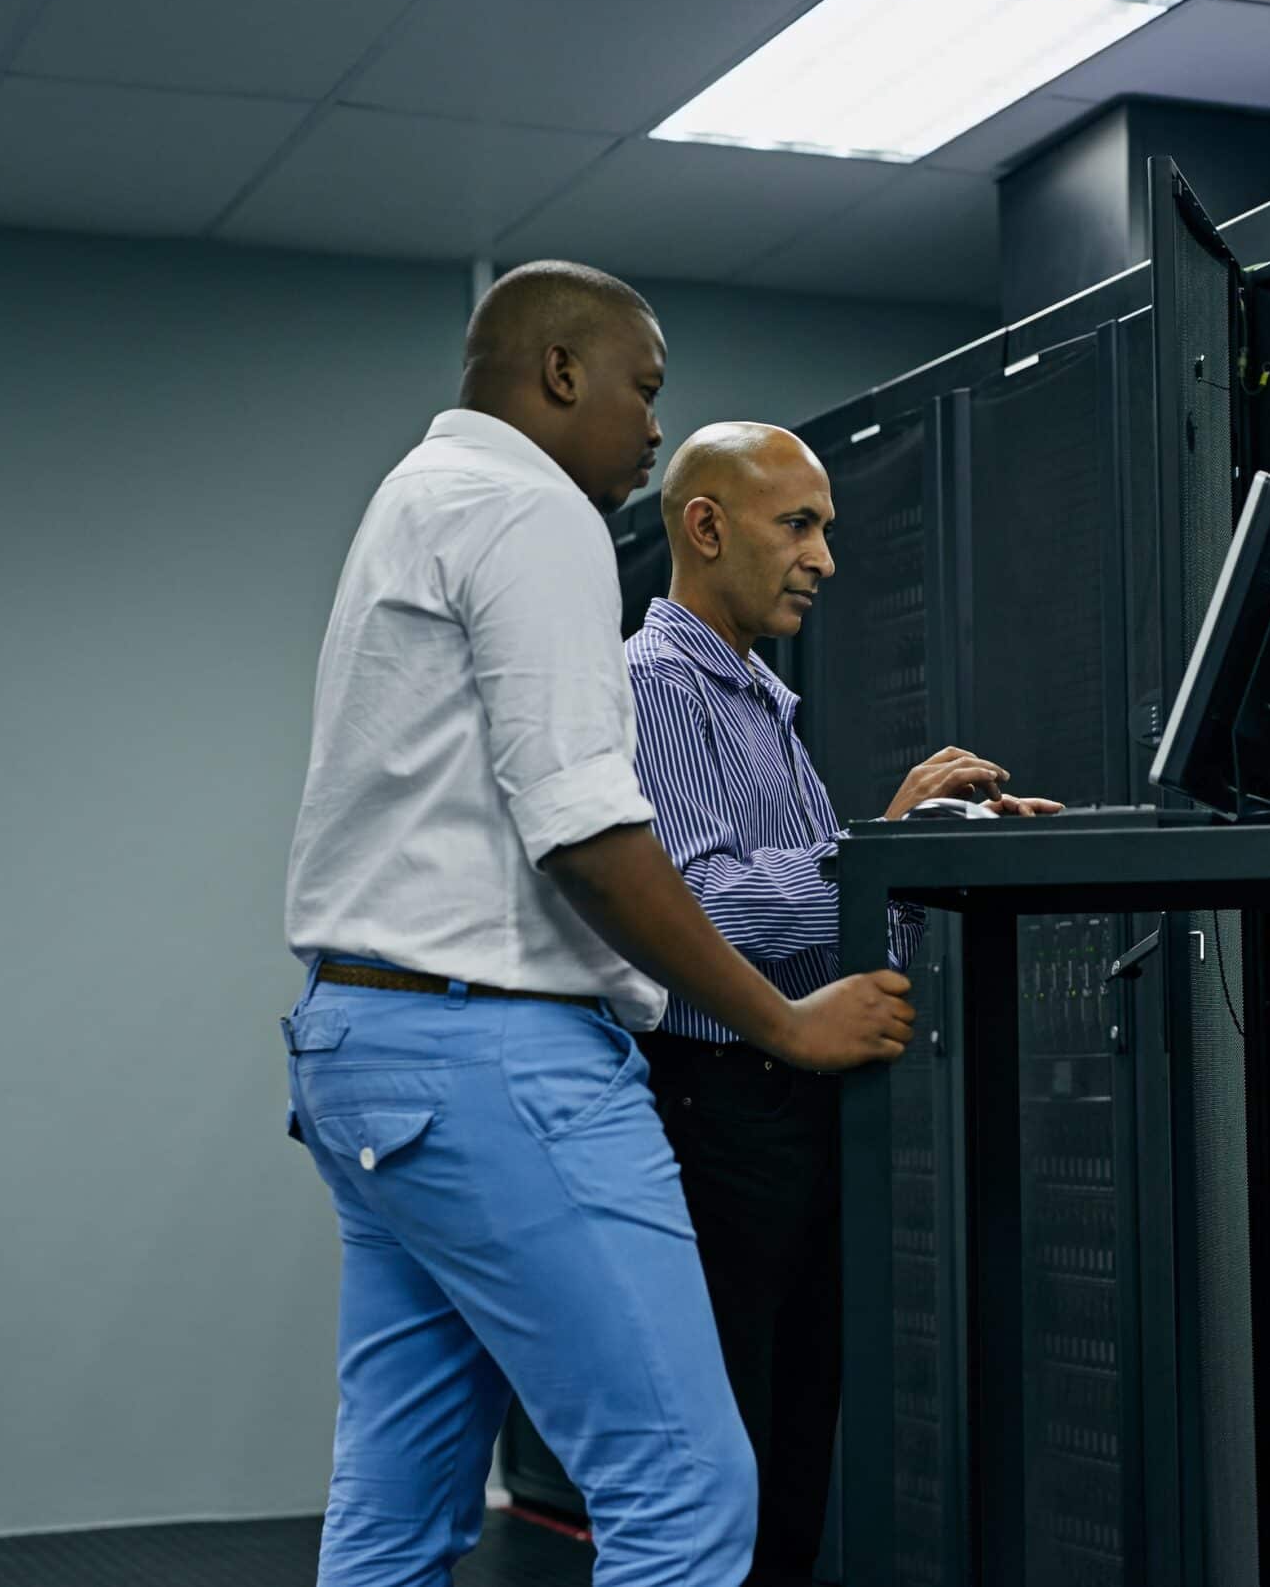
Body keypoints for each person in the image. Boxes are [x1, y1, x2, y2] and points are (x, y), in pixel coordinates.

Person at [280, 268, 915, 1587]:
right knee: (686, 1488)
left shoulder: (411, 498)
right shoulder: (533, 510)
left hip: (360, 1048)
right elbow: (587, 831)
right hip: (497, 1057)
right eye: (644, 389)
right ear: (562, 373)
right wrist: (782, 1021)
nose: (644, 426)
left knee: (395, 1516)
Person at [624, 422, 1061, 1585]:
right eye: (799, 525)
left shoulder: (762, 698)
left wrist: (933, 855)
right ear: (707, 528)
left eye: (826, 527)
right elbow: (700, 909)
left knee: (794, 1445)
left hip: (789, 1107)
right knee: (732, 1452)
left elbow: (829, 918)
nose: (824, 556)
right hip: (717, 1114)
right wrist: (869, 846)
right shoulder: (661, 686)